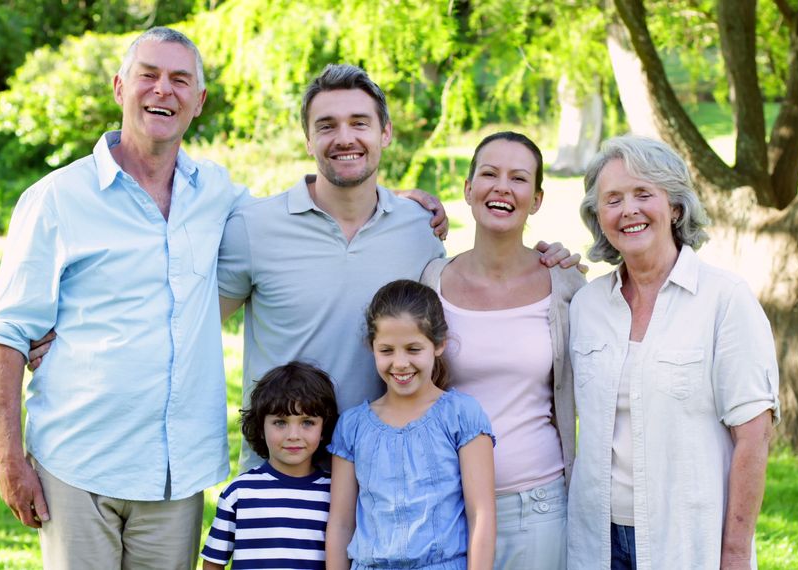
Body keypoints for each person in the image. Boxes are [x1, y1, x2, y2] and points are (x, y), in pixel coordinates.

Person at [217, 65, 577, 471]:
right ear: (308, 139)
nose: (345, 138)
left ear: (384, 132)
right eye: (327, 125)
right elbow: (196, 332)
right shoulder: (255, 228)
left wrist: (548, 260)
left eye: (359, 123)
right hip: (283, 479)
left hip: (387, 480)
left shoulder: (418, 230)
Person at [0, 27, 248, 569]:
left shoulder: (219, 193)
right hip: (78, 463)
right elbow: (7, 333)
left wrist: (390, 200)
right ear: (120, 87)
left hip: (176, 473)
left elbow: (301, 216)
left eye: (179, 80)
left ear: (199, 102)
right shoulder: (57, 198)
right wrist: (9, 457)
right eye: (148, 75)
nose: (162, 91)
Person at [567, 136, 779, 570]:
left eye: (644, 194)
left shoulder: (725, 299)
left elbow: (754, 437)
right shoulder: (585, 306)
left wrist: (735, 553)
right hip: (595, 543)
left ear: (676, 207)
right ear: (598, 216)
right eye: (613, 200)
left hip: (686, 541)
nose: (629, 210)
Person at [421, 132, 585, 569]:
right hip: (444, 503)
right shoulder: (431, 281)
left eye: (518, 178)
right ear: (468, 189)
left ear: (536, 199)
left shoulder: (565, 284)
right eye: (489, 174)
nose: (502, 187)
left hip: (537, 505)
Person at [325, 279, 496, 570]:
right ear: (372, 347)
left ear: (439, 345)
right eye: (387, 350)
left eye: (413, 349)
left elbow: (481, 514)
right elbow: (341, 524)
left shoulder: (460, 415)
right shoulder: (353, 426)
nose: (400, 363)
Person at [201, 361, 338, 570]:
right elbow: (213, 562)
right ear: (261, 427)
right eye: (280, 422)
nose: (293, 436)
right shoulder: (239, 492)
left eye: (307, 422)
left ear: (324, 428)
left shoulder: (335, 494)